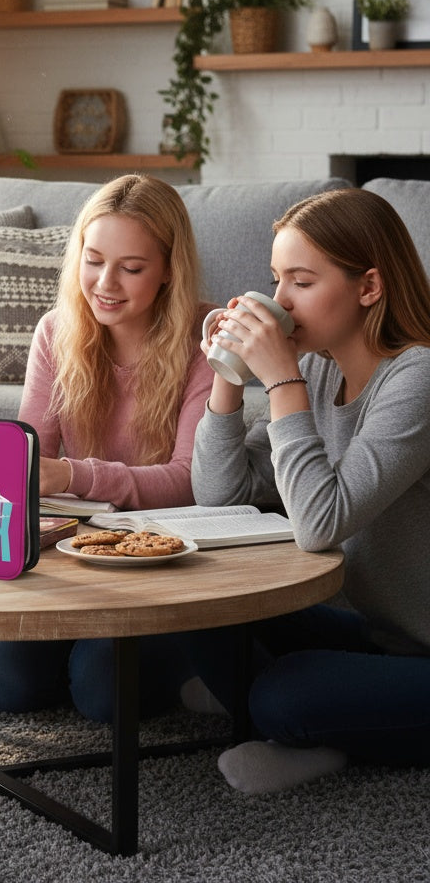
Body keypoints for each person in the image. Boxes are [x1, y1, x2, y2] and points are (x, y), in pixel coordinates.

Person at [187, 186, 430, 794]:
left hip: (423, 648)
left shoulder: (418, 378)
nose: (279, 302)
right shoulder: (318, 367)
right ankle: (327, 720)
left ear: (368, 287)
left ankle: (305, 726)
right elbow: (220, 496)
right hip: (378, 631)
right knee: (197, 605)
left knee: (281, 695)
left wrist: (281, 378)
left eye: (301, 281)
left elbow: (321, 523)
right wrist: (227, 376)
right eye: (276, 279)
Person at [0, 174, 214, 722]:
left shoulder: (204, 339)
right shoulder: (56, 332)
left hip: (164, 562)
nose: (105, 283)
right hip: (73, 558)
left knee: (101, 693)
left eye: (131, 268)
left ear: (168, 272)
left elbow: (188, 480)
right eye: (93, 259)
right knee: (7, 687)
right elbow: (30, 459)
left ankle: (193, 663)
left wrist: (74, 475)